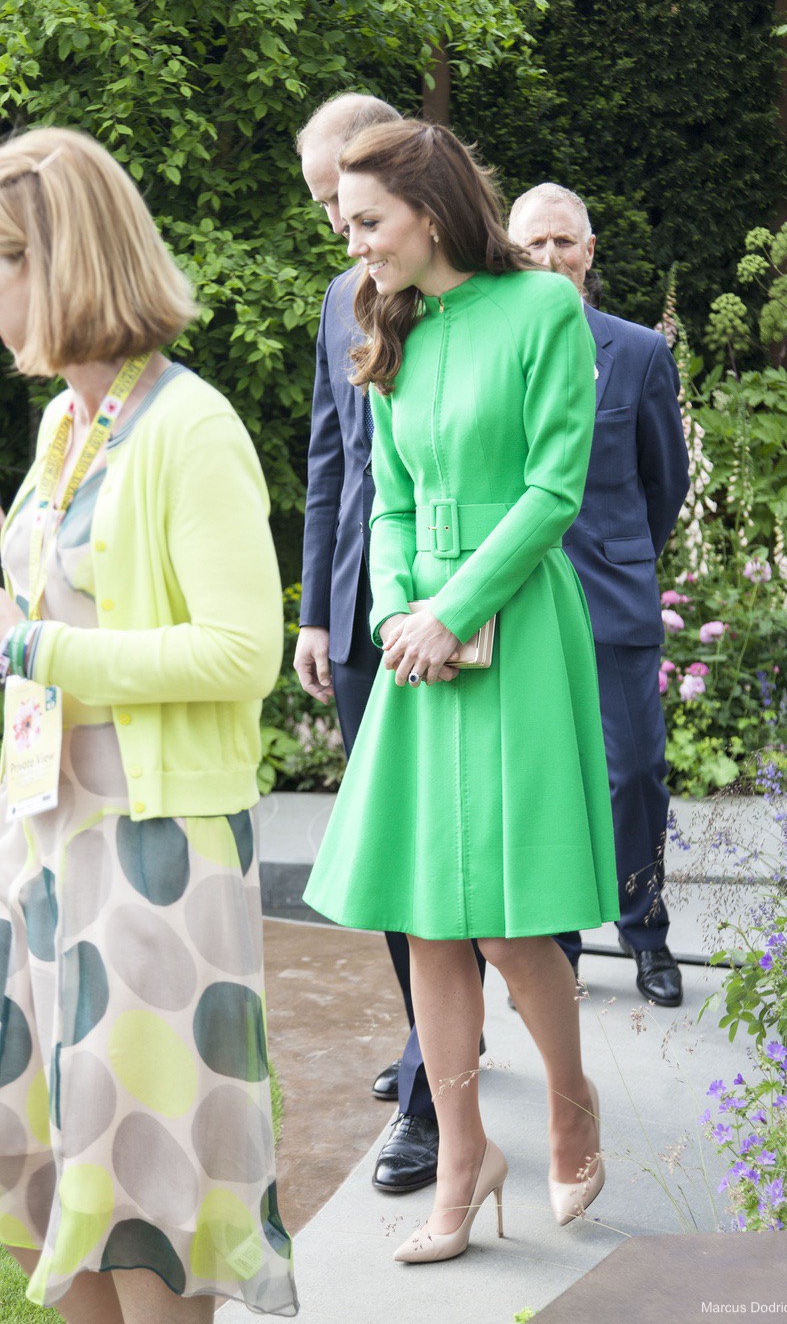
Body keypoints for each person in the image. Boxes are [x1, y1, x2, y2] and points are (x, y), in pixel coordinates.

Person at [303, 120, 619, 1263]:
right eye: (348, 227)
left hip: (517, 627)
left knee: (505, 920)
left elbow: (554, 488)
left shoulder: (542, 308)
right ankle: (463, 1156)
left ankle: (573, 1105)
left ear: (431, 211)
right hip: (417, 643)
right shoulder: (392, 324)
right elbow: (385, 500)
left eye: (369, 224)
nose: (356, 247)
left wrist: (457, 610)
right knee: (429, 915)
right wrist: (397, 614)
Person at [0, 127, 298, 1321]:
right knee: (70, 1188)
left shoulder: (191, 426)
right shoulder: (66, 429)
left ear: (66, 262)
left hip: (155, 855)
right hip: (52, 842)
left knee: (149, 1193)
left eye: (4, 256)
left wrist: (42, 649)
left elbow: (244, 654)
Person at [294, 93, 486, 1197]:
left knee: (458, 855)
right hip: (363, 614)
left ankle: (434, 1095)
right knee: (388, 856)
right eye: (323, 206)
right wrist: (319, 611)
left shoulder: (480, 301)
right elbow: (333, 460)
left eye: (347, 202)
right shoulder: (339, 300)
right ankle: (430, 1049)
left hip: (459, 613)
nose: (337, 229)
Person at [508, 183, 690, 1006]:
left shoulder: (640, 352)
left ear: (590, 252)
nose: (549, 258)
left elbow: (665, 480)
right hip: (524, 597)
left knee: (636, 772)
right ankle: (559, 949)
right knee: (548, 776)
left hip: (613, 593)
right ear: (510, 253)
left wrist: (625, 556)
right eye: (533, 244)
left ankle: (644, 929)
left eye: (564, 242)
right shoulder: (494, 346)